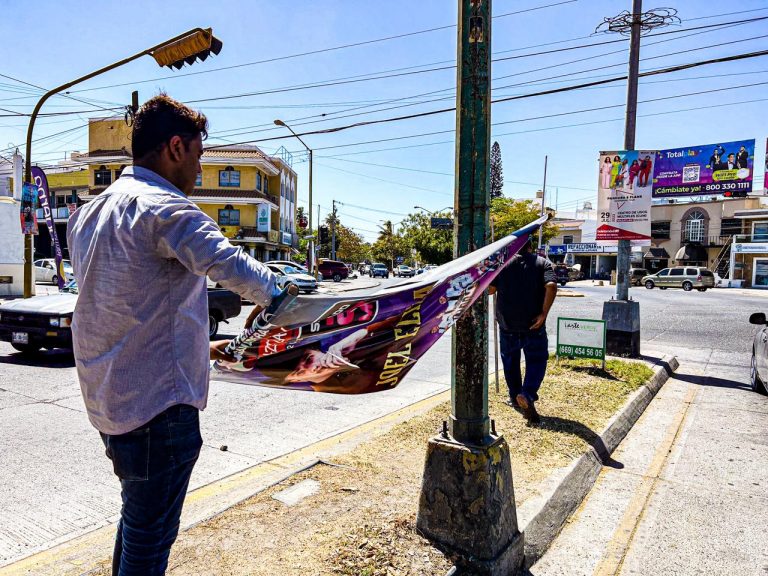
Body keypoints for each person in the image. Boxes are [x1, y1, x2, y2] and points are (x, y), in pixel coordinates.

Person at [67, 95, 280, 575]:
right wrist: (288, 301)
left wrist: (204, 348)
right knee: (147, 548)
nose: (200, 171)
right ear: (176, 147)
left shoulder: (90, 213)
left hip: (110, 403)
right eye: (201, 157)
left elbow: (127, 309)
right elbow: (233, 264)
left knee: (137, 524)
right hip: (158, 413)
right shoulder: (166, 209)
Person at [488, 238, 557, 423]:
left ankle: (515, 396)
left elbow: (490, 290)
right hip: (533, 324)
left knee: (510, 362)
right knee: (537, 360)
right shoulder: (543, 263)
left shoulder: (502, 265)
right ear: (531, 246)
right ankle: (527, 393)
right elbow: (551, 286)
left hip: (507, 324)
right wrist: (544, 313)